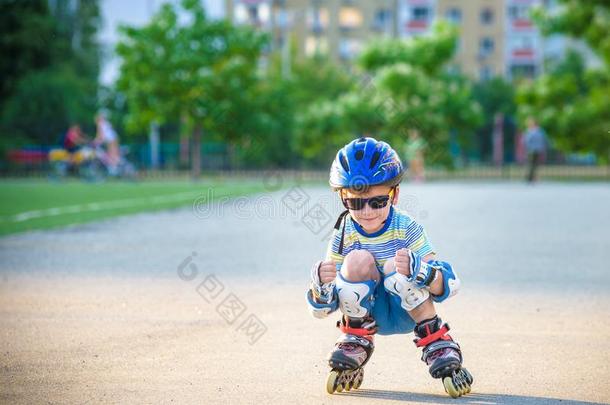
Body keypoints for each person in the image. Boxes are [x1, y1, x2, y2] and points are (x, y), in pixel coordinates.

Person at [306, 137, 472, 398]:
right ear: (343, 198)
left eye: (378, 201)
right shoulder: (343, 232)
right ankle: (355, 339)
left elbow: (448, 285)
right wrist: (320, 287)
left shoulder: (407, 226)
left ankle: (437, 342)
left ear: (395, 194)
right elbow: (325, 305)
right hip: (368, 315)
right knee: (355, 260)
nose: (367, 211)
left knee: (400, 263)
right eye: (355, 202)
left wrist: (422, 270)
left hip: (409, 308)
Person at [523, 118, 548, 183]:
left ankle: (532, 177)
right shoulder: (531, 131)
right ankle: (530, 177)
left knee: (534, 164)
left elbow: (543, 140)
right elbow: (526, 141)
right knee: (531, 164)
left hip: (536, 150)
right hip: (532, 150)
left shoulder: (537, 131)